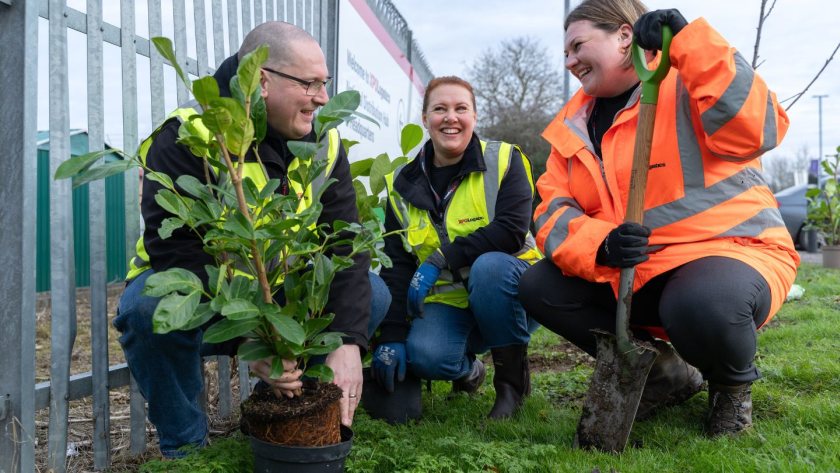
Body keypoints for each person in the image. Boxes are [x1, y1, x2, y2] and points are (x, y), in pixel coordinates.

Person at [518, 0, 799, 437]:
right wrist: (602, 244)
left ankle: (730, 387)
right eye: (566, 53)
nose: (570, 61)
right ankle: (664, 374)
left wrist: (692, 43)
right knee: (539, 285)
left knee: (700, 305)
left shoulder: (687, 81)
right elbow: (552, 214)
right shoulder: (570, 129)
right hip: (639, 268)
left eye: (578, 45)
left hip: (731, 251)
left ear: (624, 36)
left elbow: (759, 128)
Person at [114, 21, 390, 458]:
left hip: (281, 291)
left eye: (325, 84)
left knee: (371, 294)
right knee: (145, 308)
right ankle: (187, 450)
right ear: (262, 80)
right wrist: (246, 338)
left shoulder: (323, 142)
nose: (322, 98)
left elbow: (342, 243)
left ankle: (287, 412)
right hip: (206, 297)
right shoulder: (191, 134)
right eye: (310, 83)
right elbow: (177, 252)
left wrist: (347, 341)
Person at [371, 76, 541, 419]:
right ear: (425, 118)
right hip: (450, 303)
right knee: (426, 356)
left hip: (513, 292)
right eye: (440, 109)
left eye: (461, 108)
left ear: (474, 117)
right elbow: (397, 262)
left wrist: (442, 257)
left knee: (489, 267)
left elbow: (510, 231)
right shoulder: (400, 185)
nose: (451, 117)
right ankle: (468, 370)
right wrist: (391, 333)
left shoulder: (504, 160)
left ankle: (511, 386)